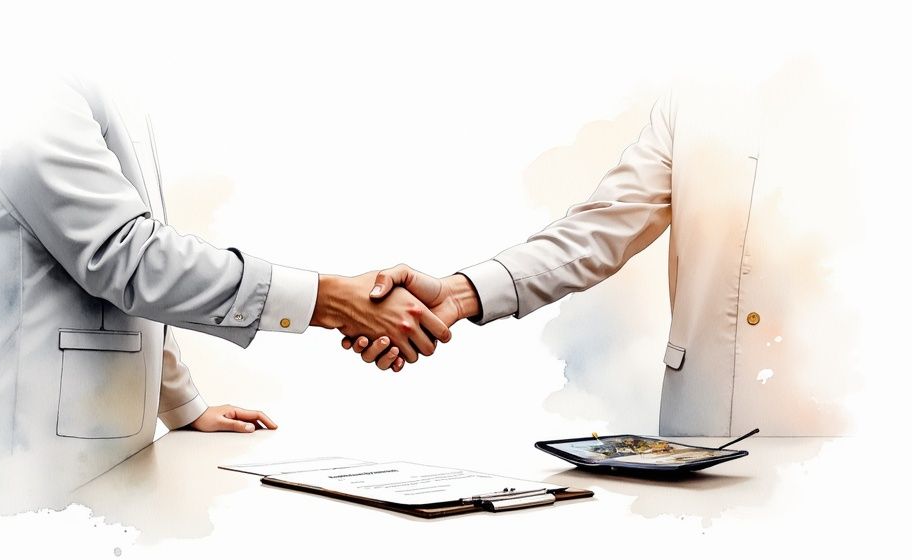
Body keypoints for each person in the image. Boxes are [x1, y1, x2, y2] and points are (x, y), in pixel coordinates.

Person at [0, 74, 450, 512]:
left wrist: (180, 402)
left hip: (96, 444)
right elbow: (125, 255)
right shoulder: (25, 72)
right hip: (17, 450)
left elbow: (127, 254)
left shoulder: (101, 72)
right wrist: (325, 299)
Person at [345, 70, 856, 437]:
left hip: (846, 424)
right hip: (702, 428)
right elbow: (601, 229)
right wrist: (460, 294)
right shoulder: (697, 91)